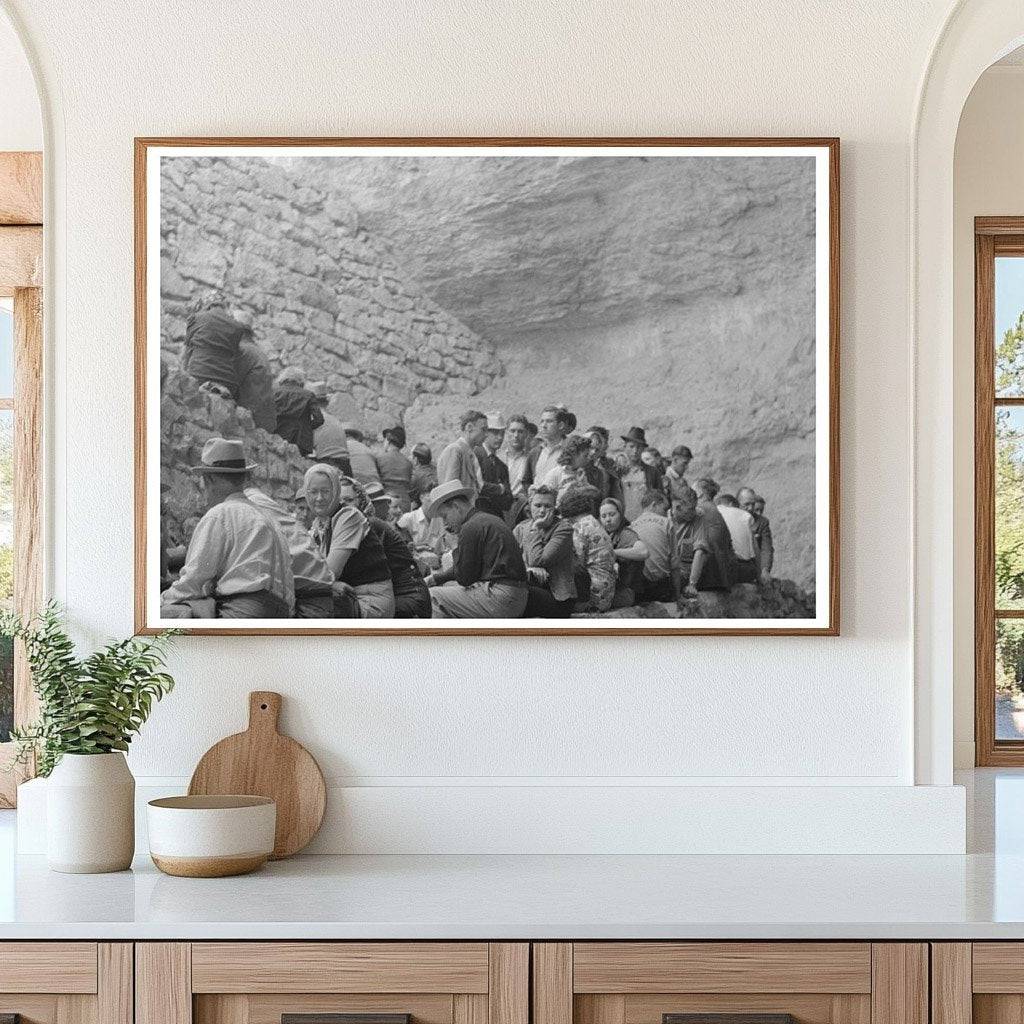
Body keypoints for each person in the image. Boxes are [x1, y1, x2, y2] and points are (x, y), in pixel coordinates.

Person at [161, 438, 294, 618]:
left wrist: (161, 600)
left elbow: (193, 582)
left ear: (208, 479)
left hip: (243, 612)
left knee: (165, 615)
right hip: (280, 613)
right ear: (242, 478)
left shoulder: (220, 514)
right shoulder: (267, 518)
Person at [423, 480, 528, 618]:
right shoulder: (486, 519)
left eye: (445, 516)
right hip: (516, 596)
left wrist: (454, 546)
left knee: (433, 596)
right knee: (447, 588)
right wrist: (435, 579)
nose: (445, 523)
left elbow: (464, 579)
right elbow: (469, 568)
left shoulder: (470, 527)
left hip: (502, 598)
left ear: (456, 507)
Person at [303, 463, 395, 618]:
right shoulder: (318, 525)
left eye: (326, 491)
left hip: (370, 601)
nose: (319, 498)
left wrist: (330, 583)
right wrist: (332, 585)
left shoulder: (349, 516)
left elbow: (329, 573)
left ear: (336, 492)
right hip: (346, 594)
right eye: (313, 492)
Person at [244, 485, 334, 618]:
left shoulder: (318, 530)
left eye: (309, 510)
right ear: (294, 508)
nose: (304, 514)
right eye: (301, 508)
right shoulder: (288, 524)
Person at [347, 478, 431, 618]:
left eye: (349, 500)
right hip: (400, 595)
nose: (389, 508)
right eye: (386, 504)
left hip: (407, 599)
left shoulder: (371, 525)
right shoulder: (367, 525)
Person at [513, 484, 577, 617]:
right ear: (530, 505)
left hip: (558, 597)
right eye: (538, 505)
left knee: (518, 595)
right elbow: (510, 559)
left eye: (547, 506)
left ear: (555, 507)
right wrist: (528, 569)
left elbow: (538, 560)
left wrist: (535, 528)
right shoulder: (521, 528)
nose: (542, 511)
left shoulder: (563, 529)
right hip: (531, 586)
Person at [557, 483, 616, 613]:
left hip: (593, 597)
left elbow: (577, 564)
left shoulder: (579, 527)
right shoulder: (594, 523)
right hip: (607, 592)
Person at [673, 487, 734, 596]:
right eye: (690, 509)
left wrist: (692, 584)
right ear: (678, 507)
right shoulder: (666, 518)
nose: (694, 512)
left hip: (687, 570)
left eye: (695, 507)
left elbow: (700, 551)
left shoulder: (698, 516)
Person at [181, 305, 246, 398]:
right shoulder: (238, 327)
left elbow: (185, 355)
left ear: (208, 306)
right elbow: (235, 358)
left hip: (198, 374)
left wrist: (183, 377)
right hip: (229, 381)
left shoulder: (198, 318)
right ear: (224, 308)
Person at [630, 489, 681, 603]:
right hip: (661, 588)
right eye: (664, 509)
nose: (666, 513)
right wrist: (678, 596)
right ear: (654, 505)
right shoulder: (667, 523)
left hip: (639, 589)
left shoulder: (632, 525)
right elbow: (674, 564)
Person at [598, 497, 649, 608]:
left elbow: (643, 552)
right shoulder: (604, 535)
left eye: (612, 515)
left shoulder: (626, 534)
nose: (608, 519)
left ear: (620, 515)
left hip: (627, 592)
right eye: (604, 516)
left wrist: (614, 552)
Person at [436, 409, 487, 501]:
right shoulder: (455, 450)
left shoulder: (470, 453)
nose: (486, 434)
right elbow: (450, 490)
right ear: (469, 427)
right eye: (483, 429)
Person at [235, 323, 277, 431]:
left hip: (251, 414)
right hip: (263, 416)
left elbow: (234, 379)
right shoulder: (258, 351)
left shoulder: (244, 349)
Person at [272, 367, 323, 456]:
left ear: (282, 379)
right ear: (301, 381)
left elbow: (267, 415)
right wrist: (306, 426)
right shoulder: (309, 395)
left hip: (278, 437)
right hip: (301, 440)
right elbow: (319, 419)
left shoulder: (274, 393)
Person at [619, 426, 663, 522]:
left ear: (643, 449)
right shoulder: (618, 472)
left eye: (639, 447)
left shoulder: (652, 472)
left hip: (645, 520)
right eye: (631, 446)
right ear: (625, 447)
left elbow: (660, 498)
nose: (635, 451)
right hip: (623, 521)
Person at [475, 411, 513, 518]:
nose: (500, 438)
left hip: (496, 517)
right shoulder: (475, 455)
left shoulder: (501, 466)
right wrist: (500, 489)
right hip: (478, 516)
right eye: (496, 433)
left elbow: (508, 502)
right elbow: (478, 487)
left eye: (502, 433)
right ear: (485, 432)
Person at [715, 493, 759, 584]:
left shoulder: (711, 512)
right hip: (745, 571)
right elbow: (755, 549)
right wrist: (760, 574)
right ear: (731, 504)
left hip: (719, 570)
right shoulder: (746, 515)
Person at [524, 405, 573, 486]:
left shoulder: (570, 451)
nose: (544, 425)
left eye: (549, 421)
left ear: (560, 425)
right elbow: (526, 481)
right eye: (542, 421)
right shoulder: (535, 452)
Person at [310, 382, 352, 475]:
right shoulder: (335, 420)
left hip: (327, 464)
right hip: (346, 466)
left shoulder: (312, 418)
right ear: (326, 403)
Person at [738, 486, 774, 579]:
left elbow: (766, 548)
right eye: (746, 504)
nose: (750, 508)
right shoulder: (729, 517)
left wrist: (764, 570)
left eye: (753, 504)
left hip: (753, 566)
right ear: (737, 503)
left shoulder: (762, 522)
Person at [377, 425, 414, 512]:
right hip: (405, 503)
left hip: (387, 501)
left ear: (388, 440)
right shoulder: (408, 463)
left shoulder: (380, 458)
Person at [504, 414, 532, 497]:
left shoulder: (530, 459)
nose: (516, 435)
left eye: (520, 432)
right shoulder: (498, 456)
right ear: (506, 432)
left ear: (526, 434)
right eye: (512, 431)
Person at [409, 443, 437, 508]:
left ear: (416, 459)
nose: (409, 458)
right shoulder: (437, 469)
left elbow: (411, 499)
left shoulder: (415, 476)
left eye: (411, 456)